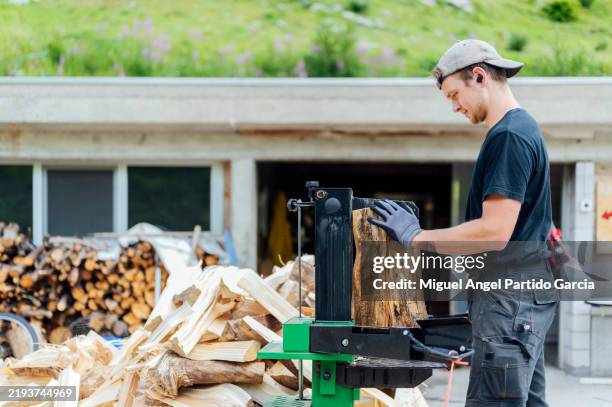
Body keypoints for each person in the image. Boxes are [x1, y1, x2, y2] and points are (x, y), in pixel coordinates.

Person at [368, 39, 558, 406]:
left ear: (480, 76)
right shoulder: (520, 129)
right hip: (520, 301)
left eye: (455, 94)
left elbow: (494, 231)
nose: (454, 106)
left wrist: (417, 237)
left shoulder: (509, 137)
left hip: (509, 303)